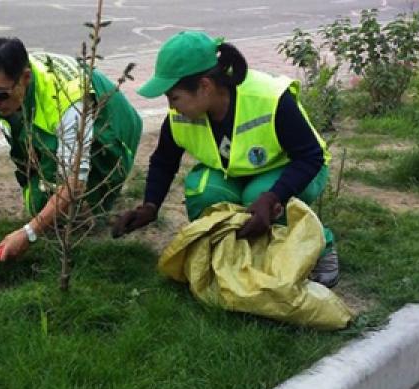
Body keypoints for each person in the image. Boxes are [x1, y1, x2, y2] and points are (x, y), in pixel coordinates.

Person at [111, 31, 339, 287]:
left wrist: (273, 196)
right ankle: (232, 251)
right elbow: (164, 160)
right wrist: (150, 207)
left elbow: (310, 156)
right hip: (236, 173)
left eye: (174, 97)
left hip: (295, 168)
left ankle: (321, 246)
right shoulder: (180, 116)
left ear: (205, 86)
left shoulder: (268, 99)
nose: (172, 107)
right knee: (203, 192)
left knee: (258, 195)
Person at [0, 37, 142, 260]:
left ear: (25, 78)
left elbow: (74, 181)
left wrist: (29, 233)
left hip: (111, 125)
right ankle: (75, 219)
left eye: (0, 95)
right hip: (54, 123)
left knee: (67, 197)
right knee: (40, 202)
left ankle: (84, 225)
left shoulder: (67, 101)